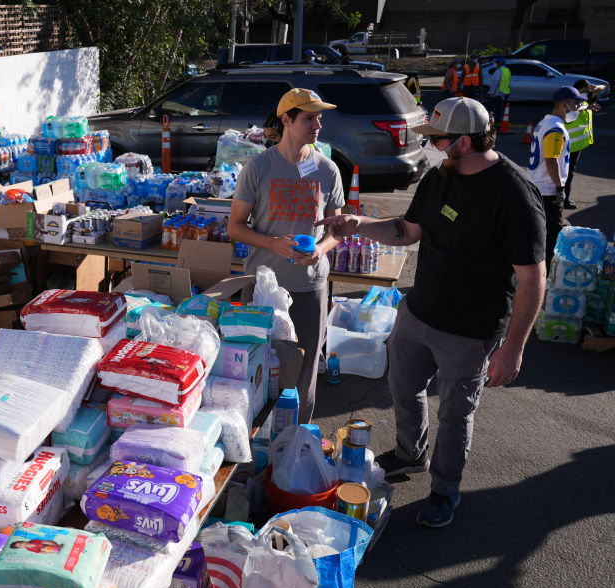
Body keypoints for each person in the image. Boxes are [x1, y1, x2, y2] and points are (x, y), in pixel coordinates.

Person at [318, 98, 546, 528]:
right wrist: (358, 224)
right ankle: (410, 453)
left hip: (471, 329)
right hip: (419, 311)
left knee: (455, 413)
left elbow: (534, 278)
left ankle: (445, 491)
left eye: (439, 139)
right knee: (403, 386)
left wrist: (513, 348)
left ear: (464, 141)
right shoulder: (439, 177)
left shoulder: (514, 194)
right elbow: (408, 230)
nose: (434, 147)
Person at [228, 88, 345, 425]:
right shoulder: (258, 166)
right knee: (256, 373)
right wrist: (272, 243)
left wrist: (321, 250)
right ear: (287, 120)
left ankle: (297, 446)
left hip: (309, 288)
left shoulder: (327, 169)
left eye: (320, 117)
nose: (318, 124)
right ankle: (255, 452)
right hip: (263, 288)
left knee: (304, 376)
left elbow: (336, 229)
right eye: (309, 117)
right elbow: (235, 227)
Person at [528, 85, 585, 264]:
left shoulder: (546, 121)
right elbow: (551, 161)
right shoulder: (555, 128)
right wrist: (560, 187)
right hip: (547, 190)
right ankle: (545, 275)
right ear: (564, 105)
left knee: (540, 232)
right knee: (552, 234)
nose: (577, 108)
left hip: (537, 186)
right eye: (575, 104)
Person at [563, 78, 605, 209]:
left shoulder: (585, 97)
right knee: (567, 173)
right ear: (582, 89)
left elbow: (602, 87)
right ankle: (564, 200)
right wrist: (588, 105)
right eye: (587, 88)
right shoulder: (572, 99)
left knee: (569, 172)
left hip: (576, 144)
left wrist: (591, 87)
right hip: (569, 144)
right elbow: (574, 111)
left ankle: (563, 198)